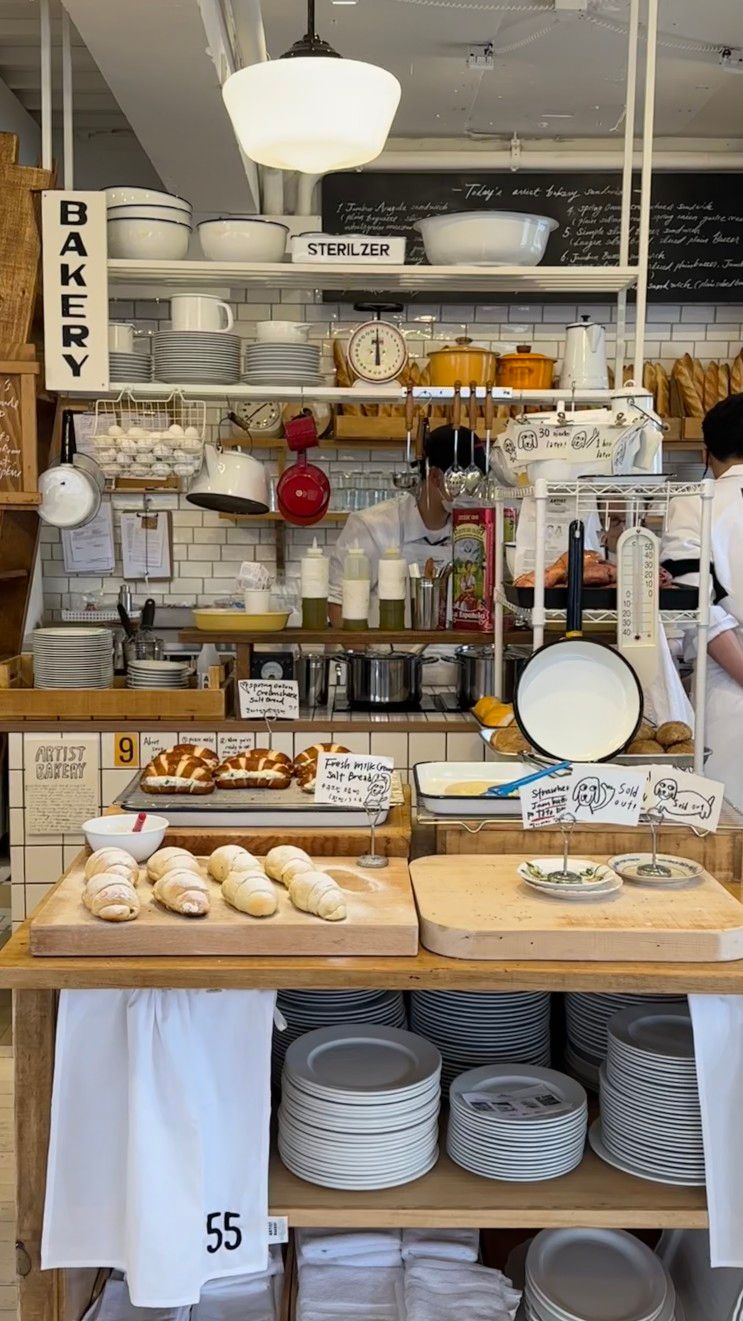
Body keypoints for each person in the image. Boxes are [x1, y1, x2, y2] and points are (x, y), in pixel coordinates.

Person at [661, 394, 743, 809]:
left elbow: (698, 611)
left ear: (706, 452)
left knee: (729, 849)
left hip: (732, 702)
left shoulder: (693, 506)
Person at [328, 424, 484, 625]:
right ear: (436, 477)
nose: (473, 492)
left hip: (455, 653)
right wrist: (368, 654)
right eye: (466, 482)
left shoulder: (473, 528)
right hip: (389, 653)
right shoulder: (373, 526)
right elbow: (338, 605)